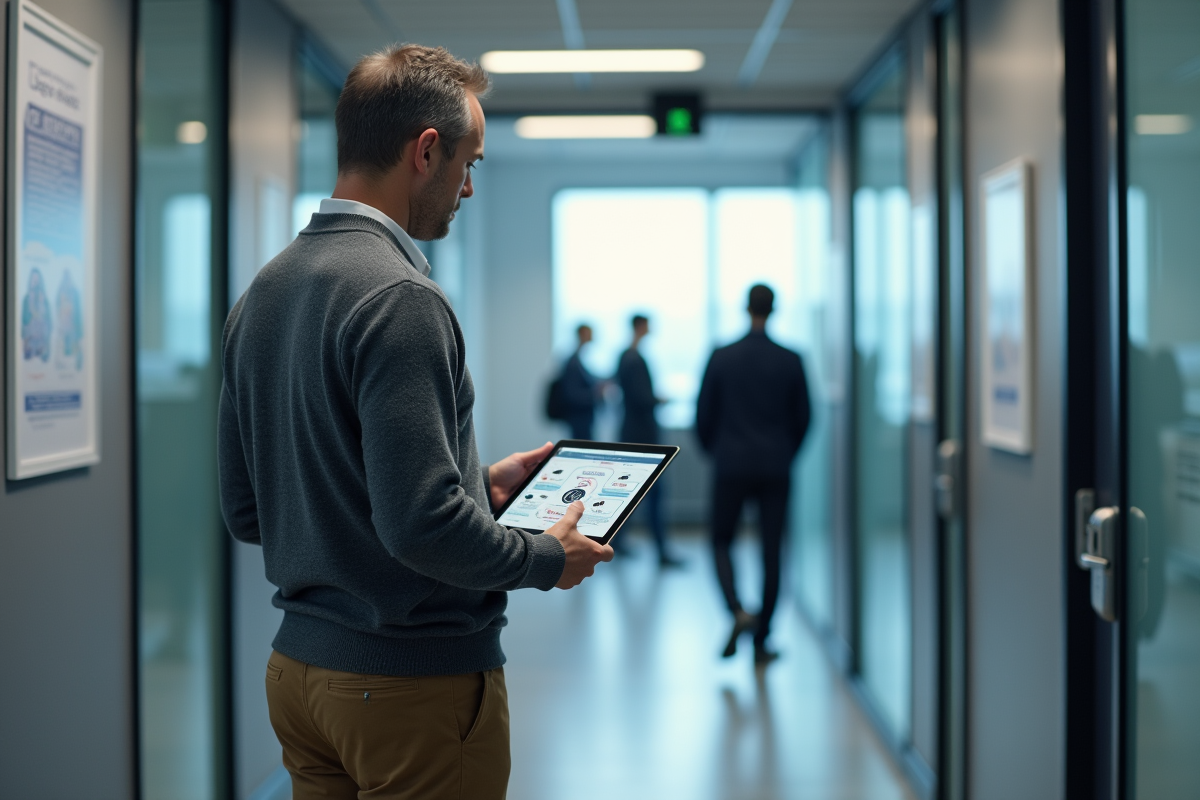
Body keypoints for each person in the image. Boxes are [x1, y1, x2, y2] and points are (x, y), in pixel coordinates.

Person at [218, 45, 612, 800]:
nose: (467, 188)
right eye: (470, 164)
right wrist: (541, 558)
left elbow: (249, 508)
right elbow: (419, 527)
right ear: (425, 151)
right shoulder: (401, 297)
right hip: (407, 691)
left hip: (300, 681)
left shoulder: (264, 291)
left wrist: (475, 484)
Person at [696, 284, 811, 665]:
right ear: (774, 310)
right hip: (776, 466)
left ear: (745, 309)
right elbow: (805, 418)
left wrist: (719, 451)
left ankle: (737, 611)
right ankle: (762, 641)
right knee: (772, 551)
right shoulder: (791, 359)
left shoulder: (722, 356)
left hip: (730, 463)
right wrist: (785, 453)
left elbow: (704, 415)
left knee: (720, 540)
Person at [617, 314, 683, 567]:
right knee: (653, 494)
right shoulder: (633, 359)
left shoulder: (626, 357)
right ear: (640, 326)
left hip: (633, 434)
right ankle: (661, 551)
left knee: (632, 493)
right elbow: (640, 399)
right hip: (642, 437)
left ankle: (622, 543)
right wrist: (660, 400)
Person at [559, 323, 599, 440]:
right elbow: (573, 394)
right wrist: (594, 394)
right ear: (581, 334)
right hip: (579, 418)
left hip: (582, 418)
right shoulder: (573, 363)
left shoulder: (578, 361)